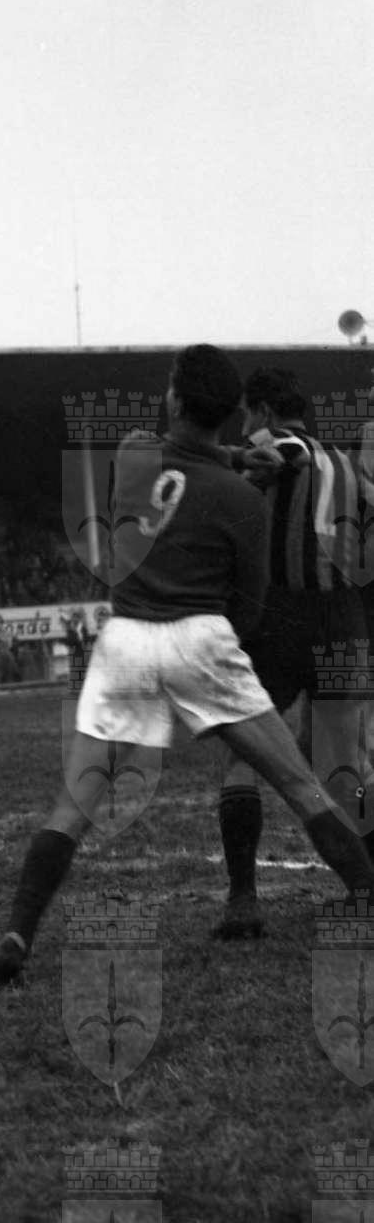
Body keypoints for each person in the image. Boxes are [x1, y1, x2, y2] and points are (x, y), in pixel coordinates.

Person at [0, 345, 374, 986]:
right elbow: (251, 601)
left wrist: (234, 455)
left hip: (127, 641)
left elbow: (183, 456)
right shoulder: (242, 498)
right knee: (302, 785)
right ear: (232, 412)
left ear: (178, 401)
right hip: (202, 638)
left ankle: (16, 936)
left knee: (74, 804)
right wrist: (241, 465)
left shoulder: (133, 453)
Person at [212, 366, 374, 937]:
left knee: (243, 751)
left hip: (281, 621)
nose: (244, 425)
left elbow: (283, 452)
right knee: (341, 763)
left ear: (261, 409)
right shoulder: (348, 465)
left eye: (246, 414)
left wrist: (215, 456)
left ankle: (242, 900)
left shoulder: (282, 443)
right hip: (344, 622)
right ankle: (367, 884)